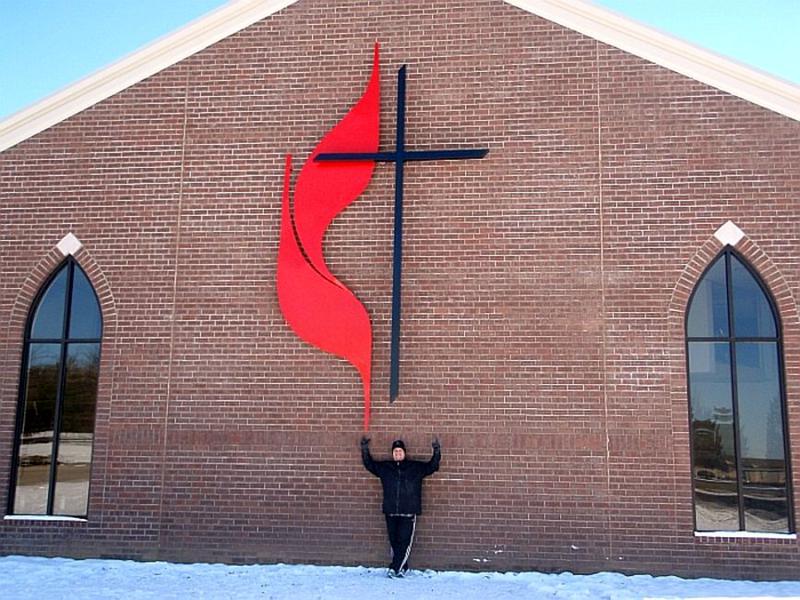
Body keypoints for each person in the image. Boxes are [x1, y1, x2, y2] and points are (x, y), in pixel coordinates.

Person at [360, 436, 441, 578]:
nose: (398, 454)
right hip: (391, 511)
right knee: (394, 541)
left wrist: (436, 451)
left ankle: (395, 568)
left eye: (400, 451)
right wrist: (364, 449)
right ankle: (402, 567)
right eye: (395, 451)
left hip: (408, 512)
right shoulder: (385, 468)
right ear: (392, 454)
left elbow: (432, 467)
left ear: (404, 453)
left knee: (404, 542)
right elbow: (369, 465)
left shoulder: (415, 468)